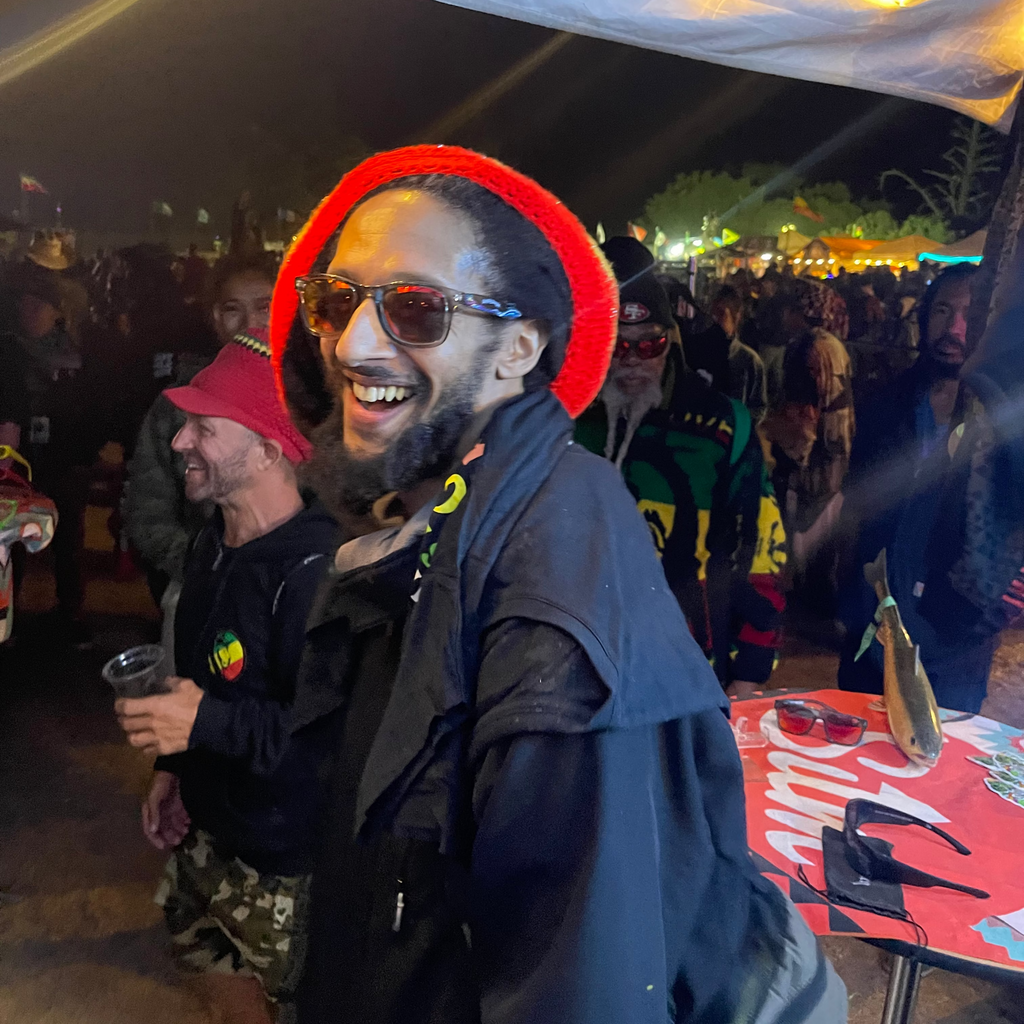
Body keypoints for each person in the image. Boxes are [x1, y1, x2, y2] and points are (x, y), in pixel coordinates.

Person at [270, 146, 843, 1024]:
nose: (352, 343)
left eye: (418, 309)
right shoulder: (422, 516)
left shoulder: (552, 583)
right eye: (337, 300)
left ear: (519, 350)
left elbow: (585, 990)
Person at [115, 327, 338, 1024]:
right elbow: (207, 687)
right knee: (206, 968)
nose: (181, 441)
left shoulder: (321, 576)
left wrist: (203, 724)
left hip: (278, 865)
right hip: (208, 832)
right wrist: (174, 767)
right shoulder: (214, 543)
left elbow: (324, 745)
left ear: (270, 448)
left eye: (205, 427)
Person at [577, 238, 785, 696]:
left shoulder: (722, 424)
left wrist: (750, 667)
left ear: (670, 341)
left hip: (683, 663)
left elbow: (760, 548)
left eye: (648, 345)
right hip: (574, 661)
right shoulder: (563, 420)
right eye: (617, 346)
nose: (631, 361)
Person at [837, 263, 1009, 713]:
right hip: (872, 636)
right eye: (942, 311)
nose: (954, 329)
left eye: (970, 315)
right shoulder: (887, 404)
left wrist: (971, 619)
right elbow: (859, 506)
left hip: (952, 653)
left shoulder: (1007, 422)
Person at [124, 255, 277, 651]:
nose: (251, 324)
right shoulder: (179, 406)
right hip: (203, 587)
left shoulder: (314, 401)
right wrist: (202, 564)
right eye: (232, 310)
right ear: (214, 316)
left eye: (265, 306)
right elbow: (147, 512)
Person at [3, 262, 94, 645]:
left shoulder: (77, 351)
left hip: (64, 457)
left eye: (37, 305)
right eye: (24, 304)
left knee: (68, 538)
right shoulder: (7, 350)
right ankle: (9, 614)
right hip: (19, 461)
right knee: (10, 541)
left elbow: (93, 402)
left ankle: (70, 611)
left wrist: (85, 448)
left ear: (57, 311)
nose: (29, 312)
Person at [762, 278, 853, 623]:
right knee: (826, 532)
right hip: (838, 453)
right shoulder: (835, 345)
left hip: (811, 460)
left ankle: (807, 607)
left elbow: (802, 415)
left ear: (796, 312)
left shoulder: (804, 349)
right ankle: (821, 603)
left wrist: (777, 443)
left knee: (802, 532)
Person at [685, 284, 767, 422]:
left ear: (736, 316)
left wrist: (739, 426)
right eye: (710, 312)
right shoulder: (693, 350)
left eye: (721, 313)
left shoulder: (748, 360)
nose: (713, 318)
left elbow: (758, 407)